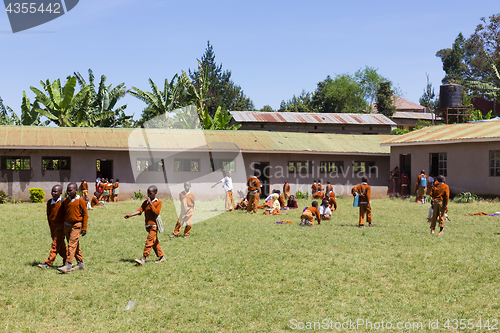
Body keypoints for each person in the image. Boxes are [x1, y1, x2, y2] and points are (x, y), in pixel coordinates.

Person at [124, 185, 165, 265]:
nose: (148, 195)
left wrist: (150, 203)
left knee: (149, 241)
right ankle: (162, 257)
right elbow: (140, 211)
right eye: (148, 193)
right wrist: (130, 215)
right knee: (154, 242)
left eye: (150, 193)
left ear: (155, 193)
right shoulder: (145, 203)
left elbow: (156, 212)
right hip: (148, 226)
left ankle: (143, 259)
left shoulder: (158, 202)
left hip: (154, 226)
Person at [57, 183, 88, 273]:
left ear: (75, 190)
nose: (68, 192)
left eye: (70, 190)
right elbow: (64, 214)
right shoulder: (66, 201)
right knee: (75, 245)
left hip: (76, 225)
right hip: (67, 226)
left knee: (72, 244)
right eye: (67, 190)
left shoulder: (81, 201)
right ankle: (80, 263)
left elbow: (85, 215)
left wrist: (84, 228)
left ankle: (68, 265)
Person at [39, 185, 68, 269]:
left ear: (60, 192)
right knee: (61, 245)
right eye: (52, 191)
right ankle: (67, 260)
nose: (53, 193)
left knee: (55, 244)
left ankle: (48, 263)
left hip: (61, 227)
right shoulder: (49, 202)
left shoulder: (63, 201)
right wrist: (50, 226)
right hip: (53, 227)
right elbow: (48, 215)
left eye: (55, 191)